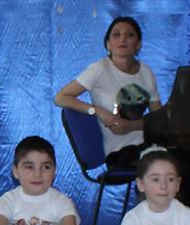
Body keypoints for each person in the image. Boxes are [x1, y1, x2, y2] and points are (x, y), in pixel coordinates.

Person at [54, 16, 164, 169]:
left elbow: (159, 121)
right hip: (119, 153)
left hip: (149, 145)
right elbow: (60, 98)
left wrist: (131, 126)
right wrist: (96, 110)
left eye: (129, 35)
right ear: (108, 44)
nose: (123, 39)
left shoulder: (146, 72)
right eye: (116, 35)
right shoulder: (99, 69)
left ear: (138, 44)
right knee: (167, 165)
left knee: (187, 158)